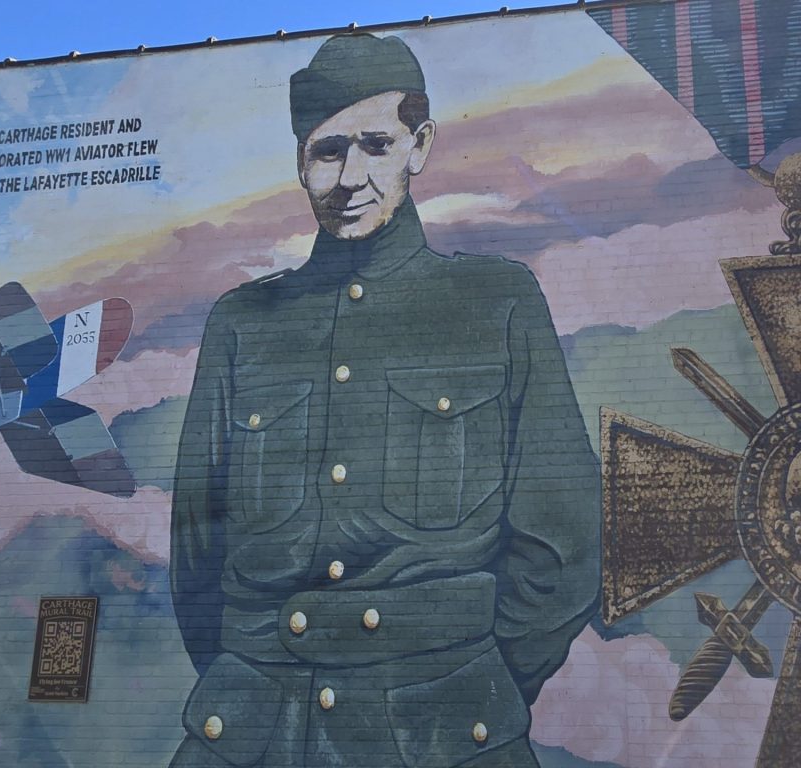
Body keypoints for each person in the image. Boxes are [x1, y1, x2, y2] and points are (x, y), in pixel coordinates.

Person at [169, 33, 599, 768]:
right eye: (327, 150)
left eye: (376, 144)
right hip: (258, 727)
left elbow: (563, 547)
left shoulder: (495, 303)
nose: (351, 176)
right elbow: (196, 556)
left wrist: (477, 690)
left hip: (444, 725)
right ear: (300, 160)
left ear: (419, 145)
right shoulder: (242, 324)